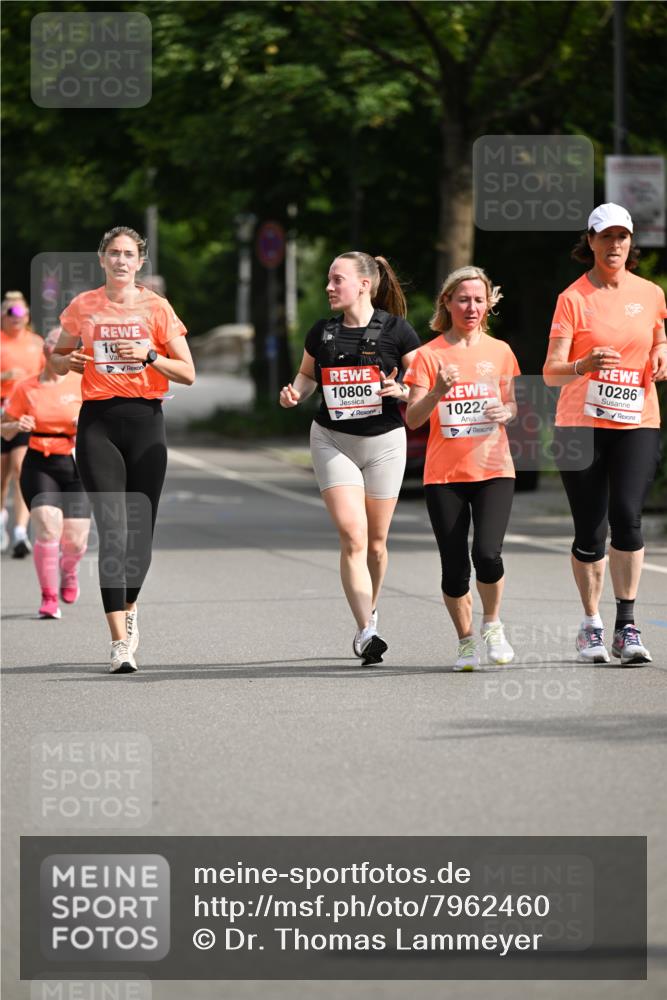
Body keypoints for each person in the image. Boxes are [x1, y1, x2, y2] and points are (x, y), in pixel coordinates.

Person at [51, 226, 195, 674]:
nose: (119, 260)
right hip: (98, 424)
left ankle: (129, 607)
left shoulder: (157, 308)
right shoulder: (83, 306)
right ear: (101, 259)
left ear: (139, 262)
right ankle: (119, 642)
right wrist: (66, 361)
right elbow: (56, 358)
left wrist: (149, 355)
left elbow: (188, 373)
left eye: (127, 254)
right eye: (112, 253)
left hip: (146, 423)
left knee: (141, 540)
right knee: (112, 532)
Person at [279, 252, 420, 665]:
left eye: (336, 279)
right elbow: (306, 376)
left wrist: (404, 392)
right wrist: (294, 393)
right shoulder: (321, 332)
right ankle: (366, 630)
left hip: (385, 444)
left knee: (376, 544)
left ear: (364, 284)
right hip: (333, 440)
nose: (328, 286)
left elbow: (424, 382)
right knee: (353, 537)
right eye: (328, 278)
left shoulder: (398, 331)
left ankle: (369, 612)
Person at [543, 203, 667, 666]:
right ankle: (592, 624)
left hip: (637, 419)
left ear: (631, 243)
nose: (615, 245)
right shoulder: (572, 298)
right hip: (581, 425)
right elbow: (552, 374)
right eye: (606, 237)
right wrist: (583, 364)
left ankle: (626, 626)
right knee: (590, 532)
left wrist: (662, 352)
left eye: (622, 237)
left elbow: (657, 335)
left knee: (629, 518)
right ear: (590, 242)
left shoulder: (651, 293)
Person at [404, 266, 519, 671]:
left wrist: (506, 411)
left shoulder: (501, 351)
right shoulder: (428, 355)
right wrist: (437, 390)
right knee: (455, 568)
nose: (471, 307)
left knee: (487, 555)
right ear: (447, 303)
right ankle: (465, 641)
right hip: (444, 476)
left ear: (488, 304)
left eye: (478, 299)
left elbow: (511, 404)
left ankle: (492, 624)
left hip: (494, 468)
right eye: (463, 299)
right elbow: (413, 419)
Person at [1, 327, 90, 618]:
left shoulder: (83, 383)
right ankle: (48, 596)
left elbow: (108, 423)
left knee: (76, 540)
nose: (63, 352)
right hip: (39, 462)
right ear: (46, 352)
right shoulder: (26, 388)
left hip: (76, 464)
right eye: (56, 347)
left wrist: (86, 424)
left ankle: (70, 569)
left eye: (68, 348)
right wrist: (16, 426)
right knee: (48, 528)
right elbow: (4, 427)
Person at [1, 291, 44, 557]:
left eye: (19, 312)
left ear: (27, 315)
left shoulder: (37, 343)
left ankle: (20, 532)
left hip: (24, 412)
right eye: (9, 312)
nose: (15, 318)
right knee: (1, 472)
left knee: (20, 467)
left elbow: (46, 377)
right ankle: (2, 521)